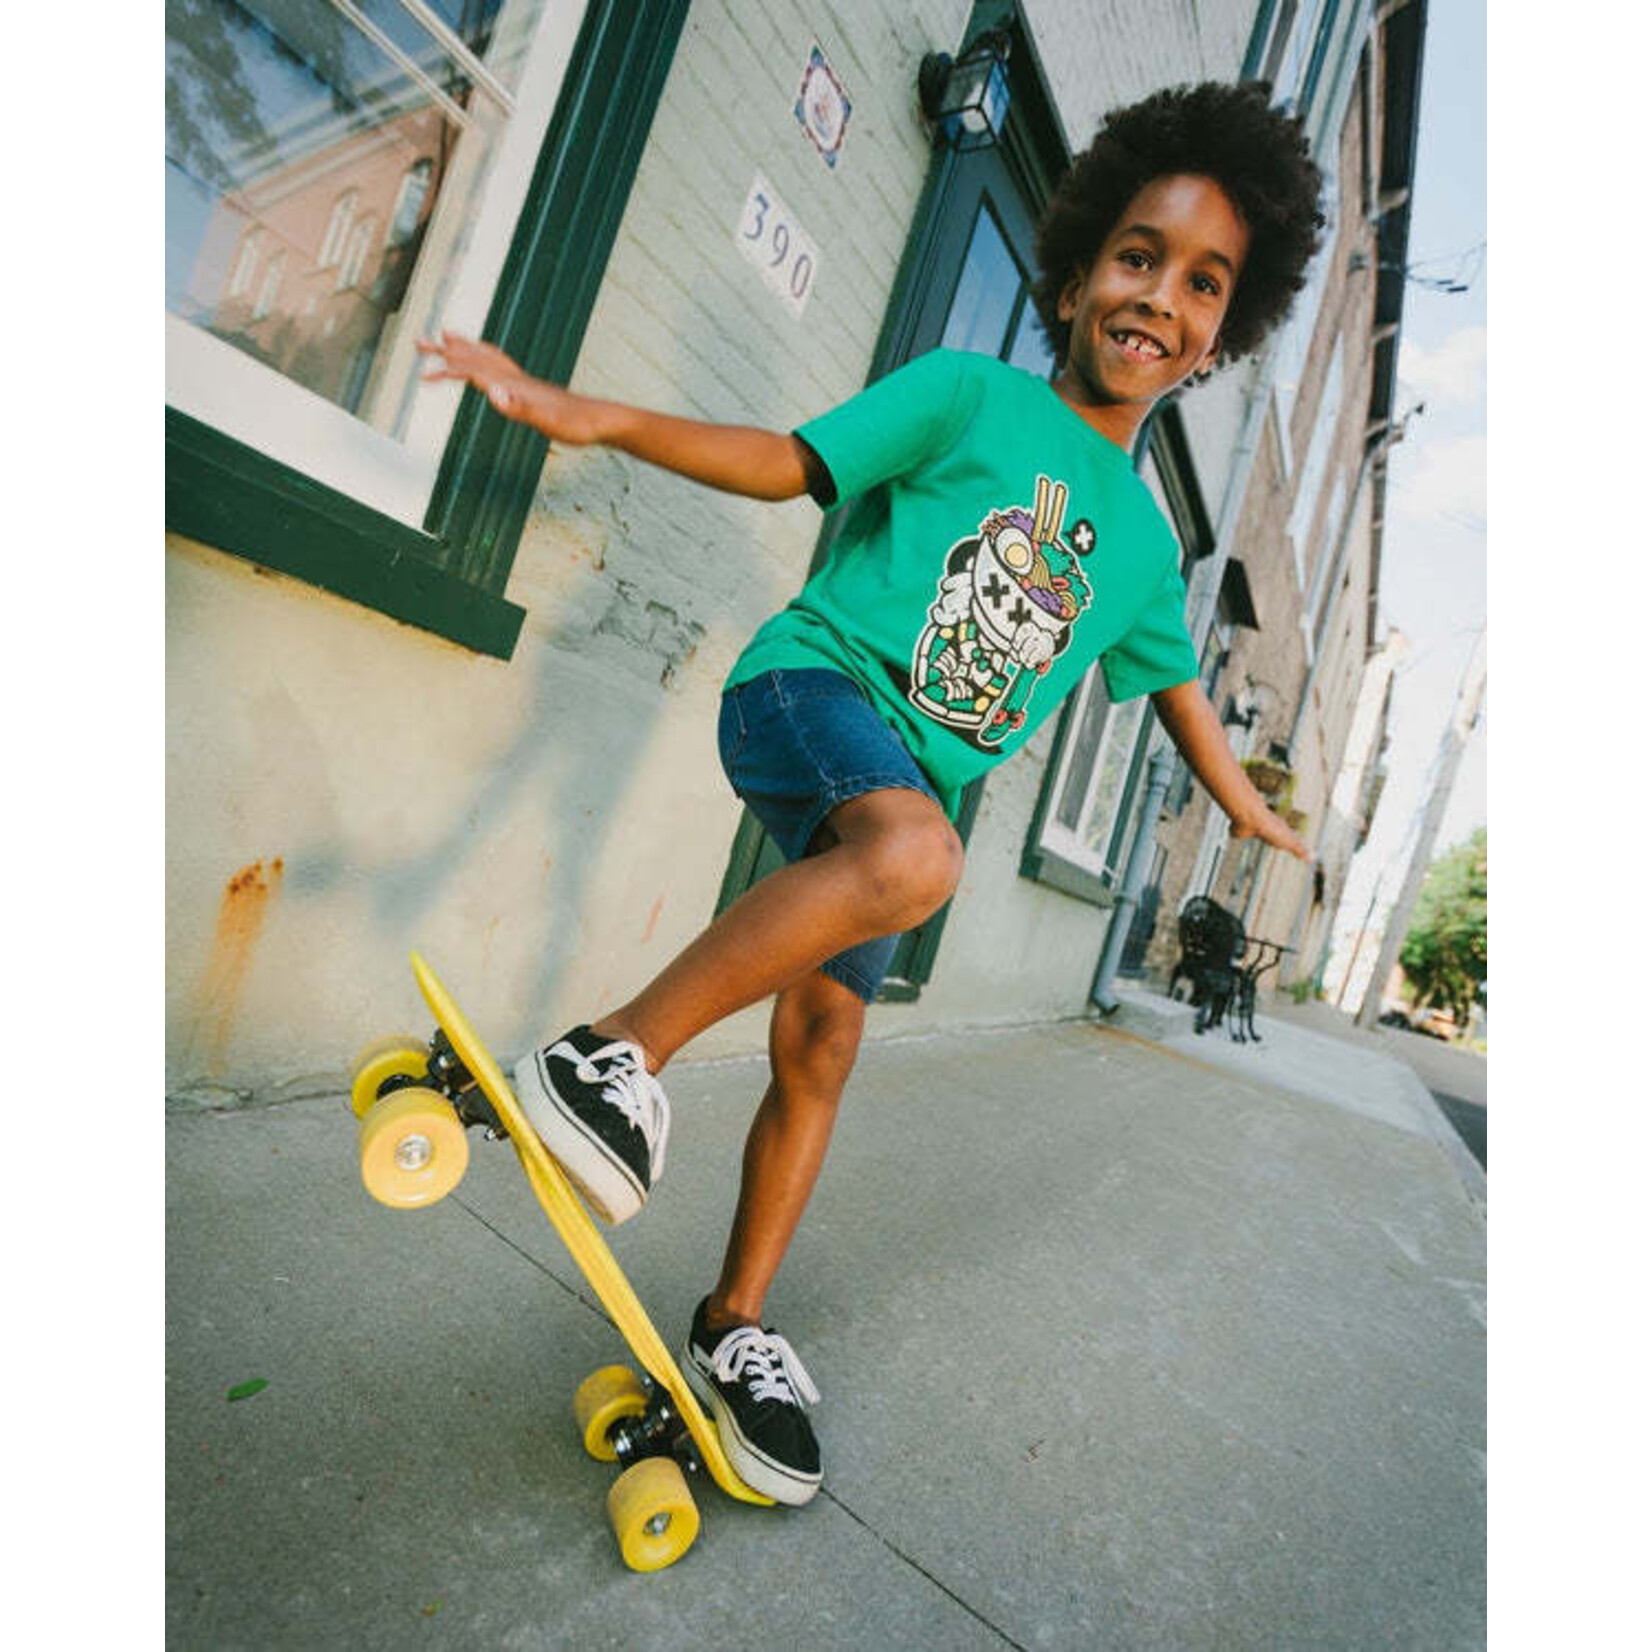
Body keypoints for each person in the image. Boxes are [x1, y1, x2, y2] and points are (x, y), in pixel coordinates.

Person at [416, 80, 1323, 1508]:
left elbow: (1180, 700)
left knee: (826, 1042)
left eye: (1203, 283)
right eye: (1139, 256)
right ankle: (606, 1062)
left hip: (902, 800)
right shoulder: (972, 396)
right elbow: (792, 463)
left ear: (1226, 328)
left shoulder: (1146, 549)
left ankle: (733, 1327)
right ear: (1080, 270)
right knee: (916, 849)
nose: (1160, 298)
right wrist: (587, 417)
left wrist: (1251, 810)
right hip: (813, 692)